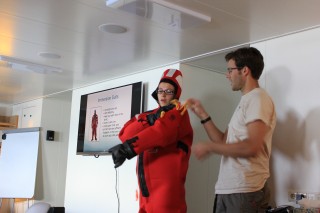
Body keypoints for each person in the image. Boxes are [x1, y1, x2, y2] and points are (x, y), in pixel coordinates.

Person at [187, 47, 276, 213]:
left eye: (230, 70)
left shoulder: (258, 98)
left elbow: (251, 146)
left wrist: (209, 147)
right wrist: (202, 114)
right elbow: (222, 141)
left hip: (245, 191)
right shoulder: (246, 101)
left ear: (244, 70)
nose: (227, 75)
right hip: (229, 190)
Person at [109, 69, 193, 213]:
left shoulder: (180, 113)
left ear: (176, 94)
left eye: (168, 91)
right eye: (160, 90)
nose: (163, 95)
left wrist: (127, 149)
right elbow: (125, 134)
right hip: (145, 190)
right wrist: (150, 119)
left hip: (166, 191)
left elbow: (161, 132)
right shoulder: (149, 115)